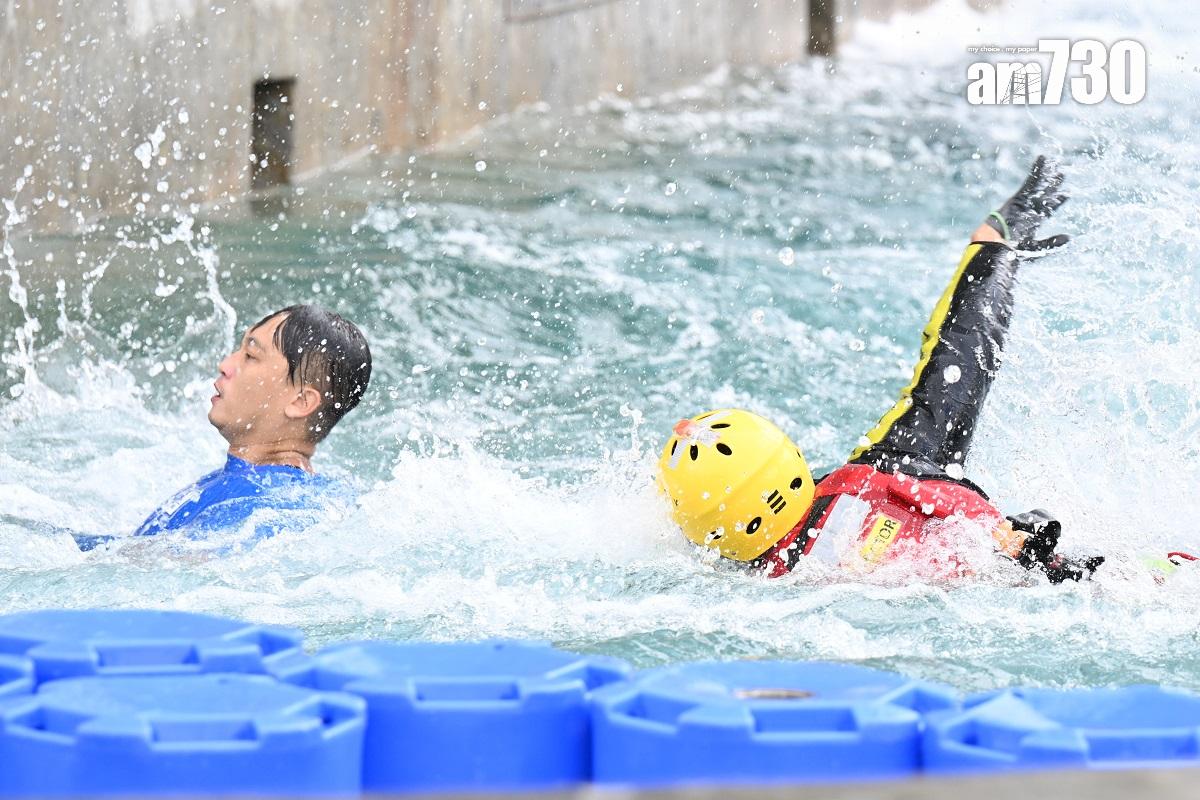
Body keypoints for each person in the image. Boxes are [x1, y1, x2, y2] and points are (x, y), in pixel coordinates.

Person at [656, 156, 1106, 583]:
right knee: (958, 352)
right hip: (909, 483)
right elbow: (953, 503)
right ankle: (997, 243)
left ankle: (995, 244)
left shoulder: (767, 580)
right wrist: (1007, 538)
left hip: (921, 533)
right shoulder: (871, 478)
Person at [74, 304, 371, 551]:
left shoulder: (254, 508)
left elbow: (152, 570)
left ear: (301, 401)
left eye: (251, 356)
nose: (226, 364)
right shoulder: (319, 497)